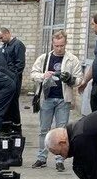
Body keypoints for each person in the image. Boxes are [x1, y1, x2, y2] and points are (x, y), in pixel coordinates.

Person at [30, 30, 81, 170]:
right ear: (53, 44)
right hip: (47, 98)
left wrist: (70, 79)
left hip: (63, 99)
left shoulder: (72, 59)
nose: (59, 48)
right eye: (57, 45)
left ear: (66, 44)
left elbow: (79, 79)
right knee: (44, 129)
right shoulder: (44, 58)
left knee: (62, 130)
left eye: (62, 45)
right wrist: (43, 75)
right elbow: (33, 74)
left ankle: (60, 159)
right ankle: (42, 158)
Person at [0, 27, 26, 126]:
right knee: (7, 100)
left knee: (13, 101)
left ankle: (16, 124)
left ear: (8, 33)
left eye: (1, 37)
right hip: (6, 77)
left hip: (14, 78)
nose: (1, 40)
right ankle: (7, 122)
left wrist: (14, 76)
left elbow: (20, 64)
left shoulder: (18, 45)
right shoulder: (5, 46)